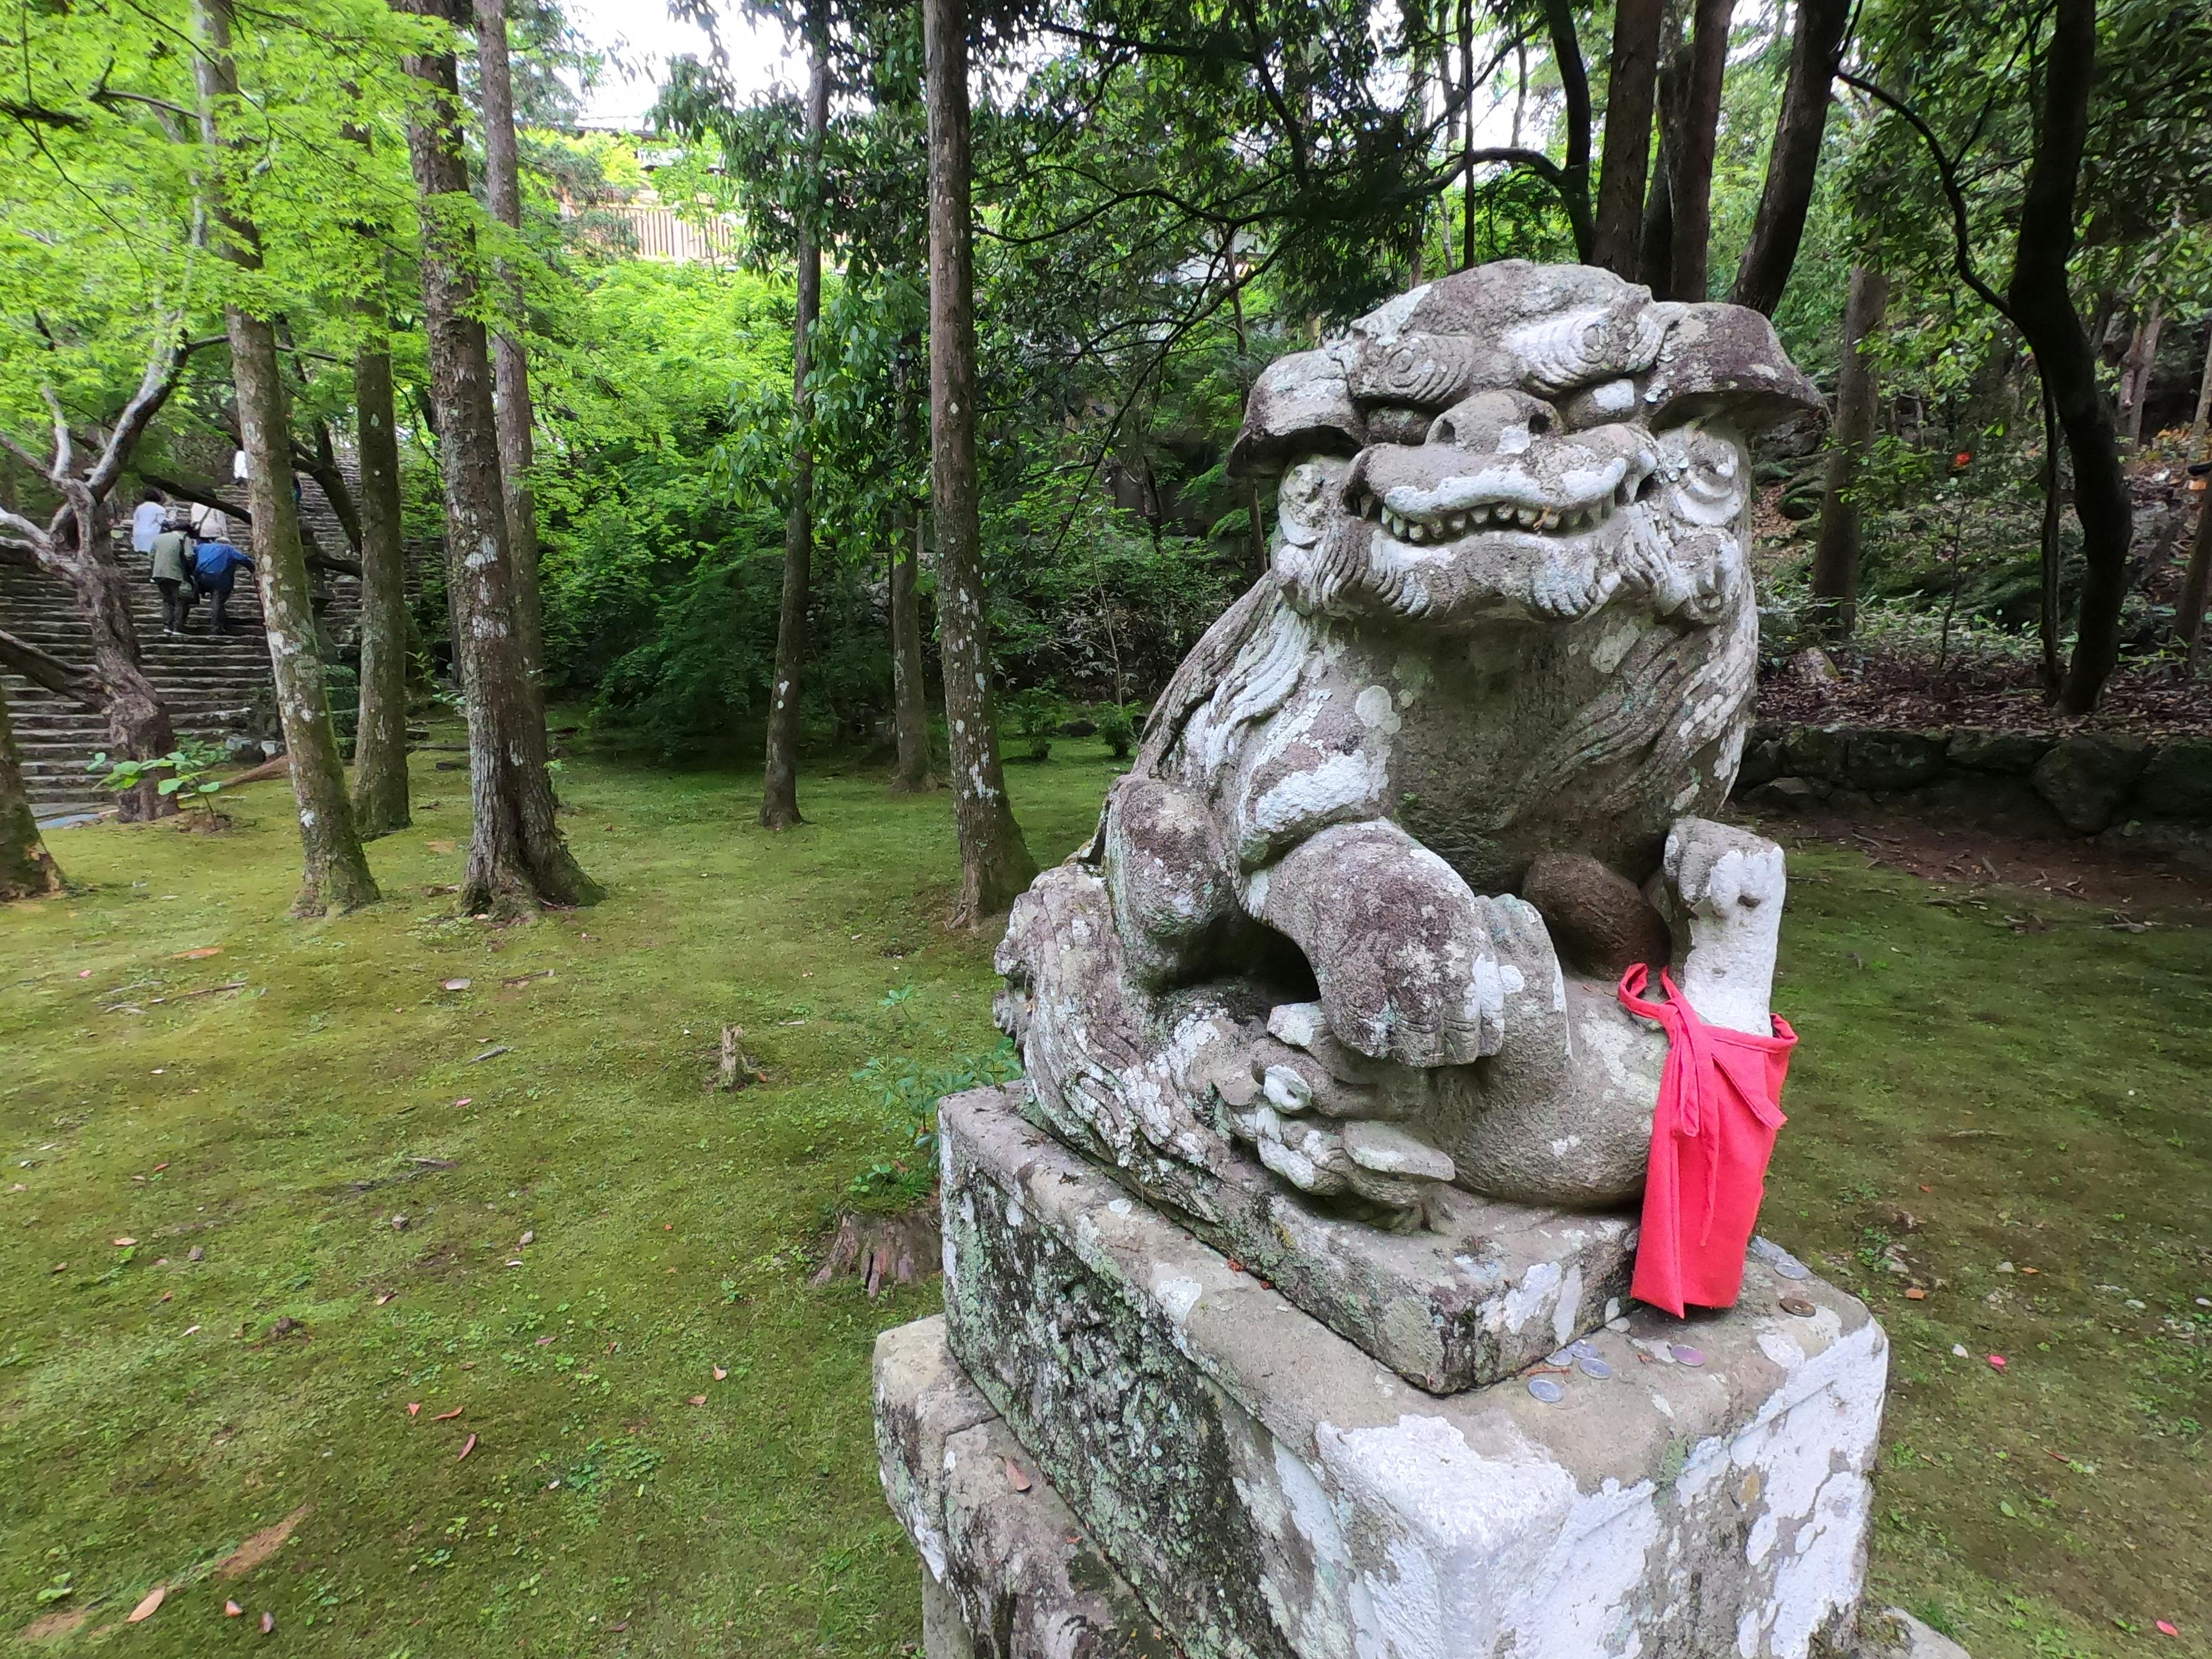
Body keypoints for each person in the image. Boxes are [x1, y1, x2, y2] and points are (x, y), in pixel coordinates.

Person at [192, 536, 254, 636]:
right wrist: (253, 570)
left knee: (217, 601)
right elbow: (243, 559)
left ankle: (223, 622)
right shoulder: (229, 549)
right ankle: (216, 628)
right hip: (220, 579)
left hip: (202, 577)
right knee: (218, 601)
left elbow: (191, 555)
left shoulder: (202, 547)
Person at [148, 513, 196, 635]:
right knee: (179, 600)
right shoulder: (184, 539)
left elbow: (151, 556)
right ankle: (177, 627)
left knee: (166, 600)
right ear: (186, 532)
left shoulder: (159, 538)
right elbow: (189, 555)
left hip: (159, 574)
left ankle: (167, 625)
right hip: (176, 573)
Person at [131, 488, 167, 556]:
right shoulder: (160, 509)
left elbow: (136, 520)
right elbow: (161, 522)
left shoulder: (139, 508)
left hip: (138, 534)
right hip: (152, 535)